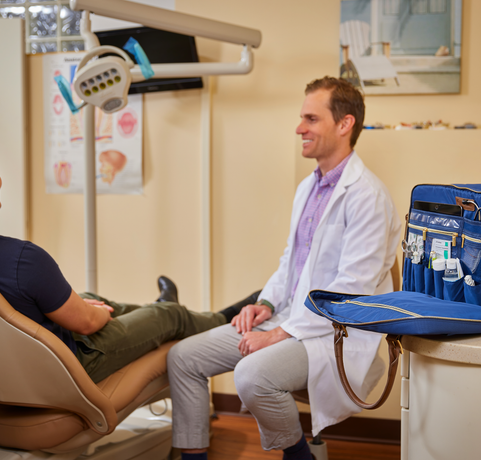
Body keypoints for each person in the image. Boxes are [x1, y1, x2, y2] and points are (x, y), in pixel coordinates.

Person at [167, 76, 402, 460]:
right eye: (301, 118)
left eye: (311, 119)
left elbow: (350, 292)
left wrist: (279, 334)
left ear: (345, 125)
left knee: (252, 375)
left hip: (332, 333)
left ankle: (298, 457)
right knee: (183, 357)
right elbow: (291, 263)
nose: (299, 128)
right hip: (292, 318)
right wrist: (265, 303)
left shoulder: (368, 197)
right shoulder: (308, 188)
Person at [0, 129, 237, 384]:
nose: (0, 178)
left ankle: (160, 305)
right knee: (168, 317)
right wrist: (97, 316)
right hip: (64, 370)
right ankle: (223, 319)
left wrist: (88, 307)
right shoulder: (22, 258)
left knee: (91, 298)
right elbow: (83, 323)